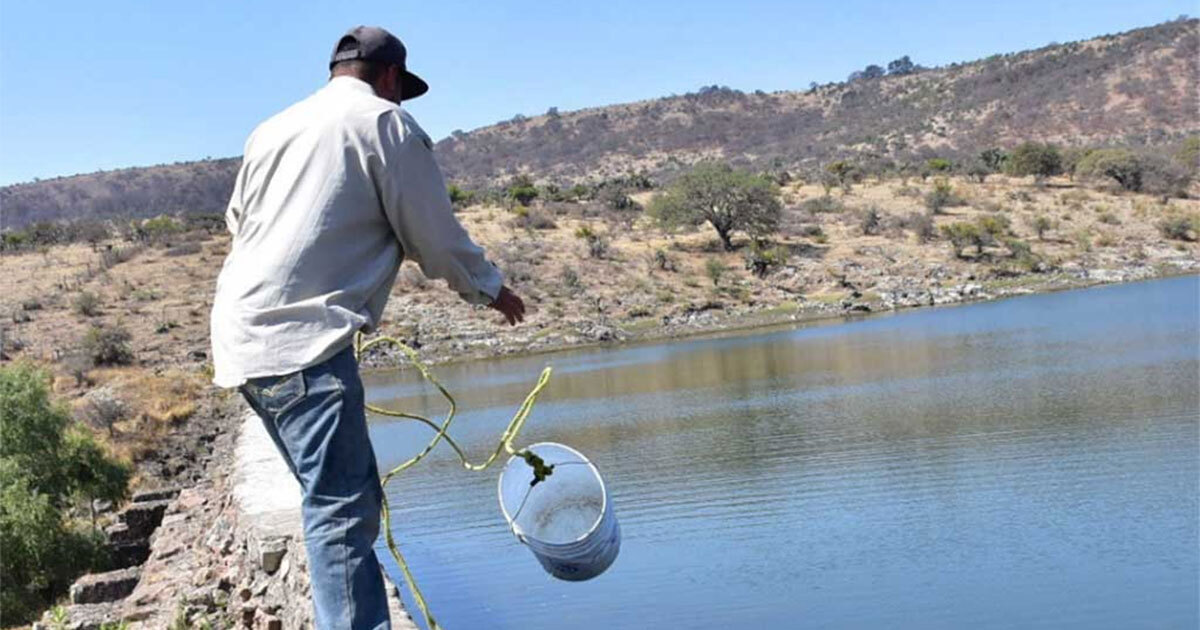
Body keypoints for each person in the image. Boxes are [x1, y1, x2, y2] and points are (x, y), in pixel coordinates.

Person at [209, 25, 525, 629]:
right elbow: (432, 234)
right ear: (388, 78)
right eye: (399, 88)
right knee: (342, 511)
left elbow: (238, 222)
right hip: (303, 343)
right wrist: (490, 289)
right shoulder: (386, 124)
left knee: (330, 498)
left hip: (243, 338)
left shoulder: (270, 130)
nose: (399, 98)